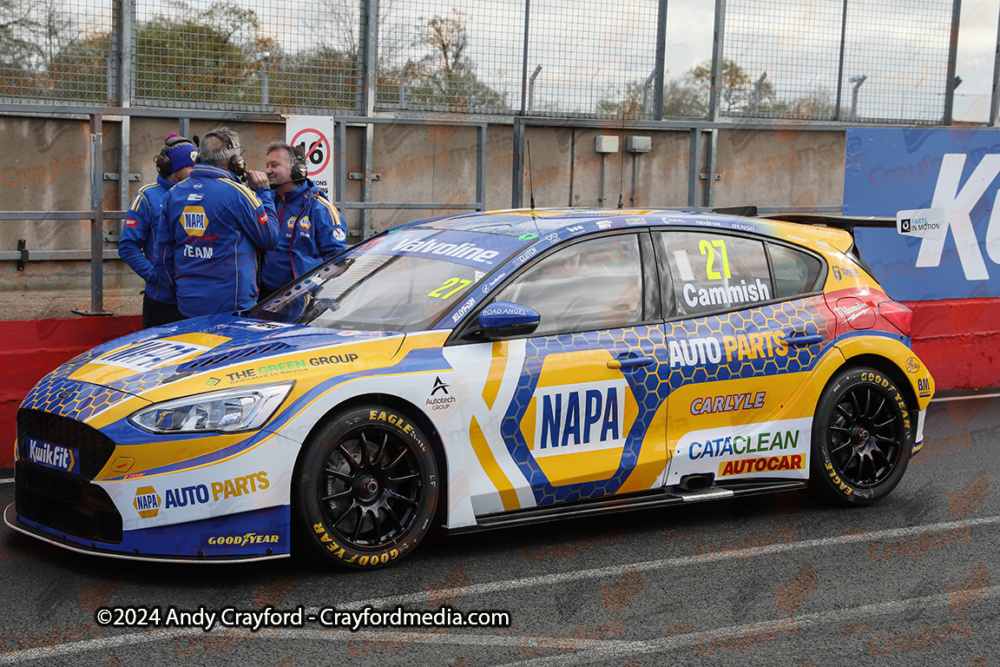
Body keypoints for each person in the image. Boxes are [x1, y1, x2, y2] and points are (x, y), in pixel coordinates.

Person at [155, 126, 279, 318]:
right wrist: (264, 192)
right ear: (235, 161)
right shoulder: (239, 193)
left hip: (188, 303)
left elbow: (163, 255)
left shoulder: (173, 193)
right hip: (232, 306)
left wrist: (177, 292)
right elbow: (270, 237)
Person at [120, 133, 196, 328]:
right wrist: (156, 277)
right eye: (190, 166)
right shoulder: (146, 196)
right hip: (162, 302)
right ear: (172, 168)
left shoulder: (203, 194)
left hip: (197, 300)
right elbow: (128, 246)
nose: (195, 171)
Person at [259, 141, 347, 299]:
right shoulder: (267, 201)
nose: (267, 171)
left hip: (301, 298)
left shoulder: (320, 208)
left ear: (296, 170)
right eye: (267, 166)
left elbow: (338, 260)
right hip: (264, 297)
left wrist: (309, 285)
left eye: (274, 165)